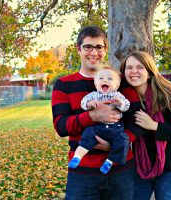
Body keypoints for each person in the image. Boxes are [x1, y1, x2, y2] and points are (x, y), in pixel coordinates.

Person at [51, 25, 138, 200]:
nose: (94, 52)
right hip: (82, 172)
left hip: (121, 171)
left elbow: (137, 121)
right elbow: (61, 126)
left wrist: (116, 144)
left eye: (99, 47)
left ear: (105, 49)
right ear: (78, 49)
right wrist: (92, 116)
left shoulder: (120, 82)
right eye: (88, 47)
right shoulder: (64, 84)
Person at [119, 51, 171, 200]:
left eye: (140, 67)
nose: (133, 71)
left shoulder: (167, 96)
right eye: (129, 67)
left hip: (170, 169)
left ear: (150, 71)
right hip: (139, 167)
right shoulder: (123, 100)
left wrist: (154, 126)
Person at [68, 66, 130, 175]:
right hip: (98, 127)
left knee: (123, 140)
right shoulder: (93, 95)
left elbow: (126, 106)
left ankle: (109, 161)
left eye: (110, 79)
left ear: (117, 85)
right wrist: (89, 104)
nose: (105, 80)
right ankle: (77, 157)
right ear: (96, 84)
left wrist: (120, 103)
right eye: (101, 79)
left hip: (116, 129)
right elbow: (83, 103)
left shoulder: (118, 96)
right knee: (88, 134)